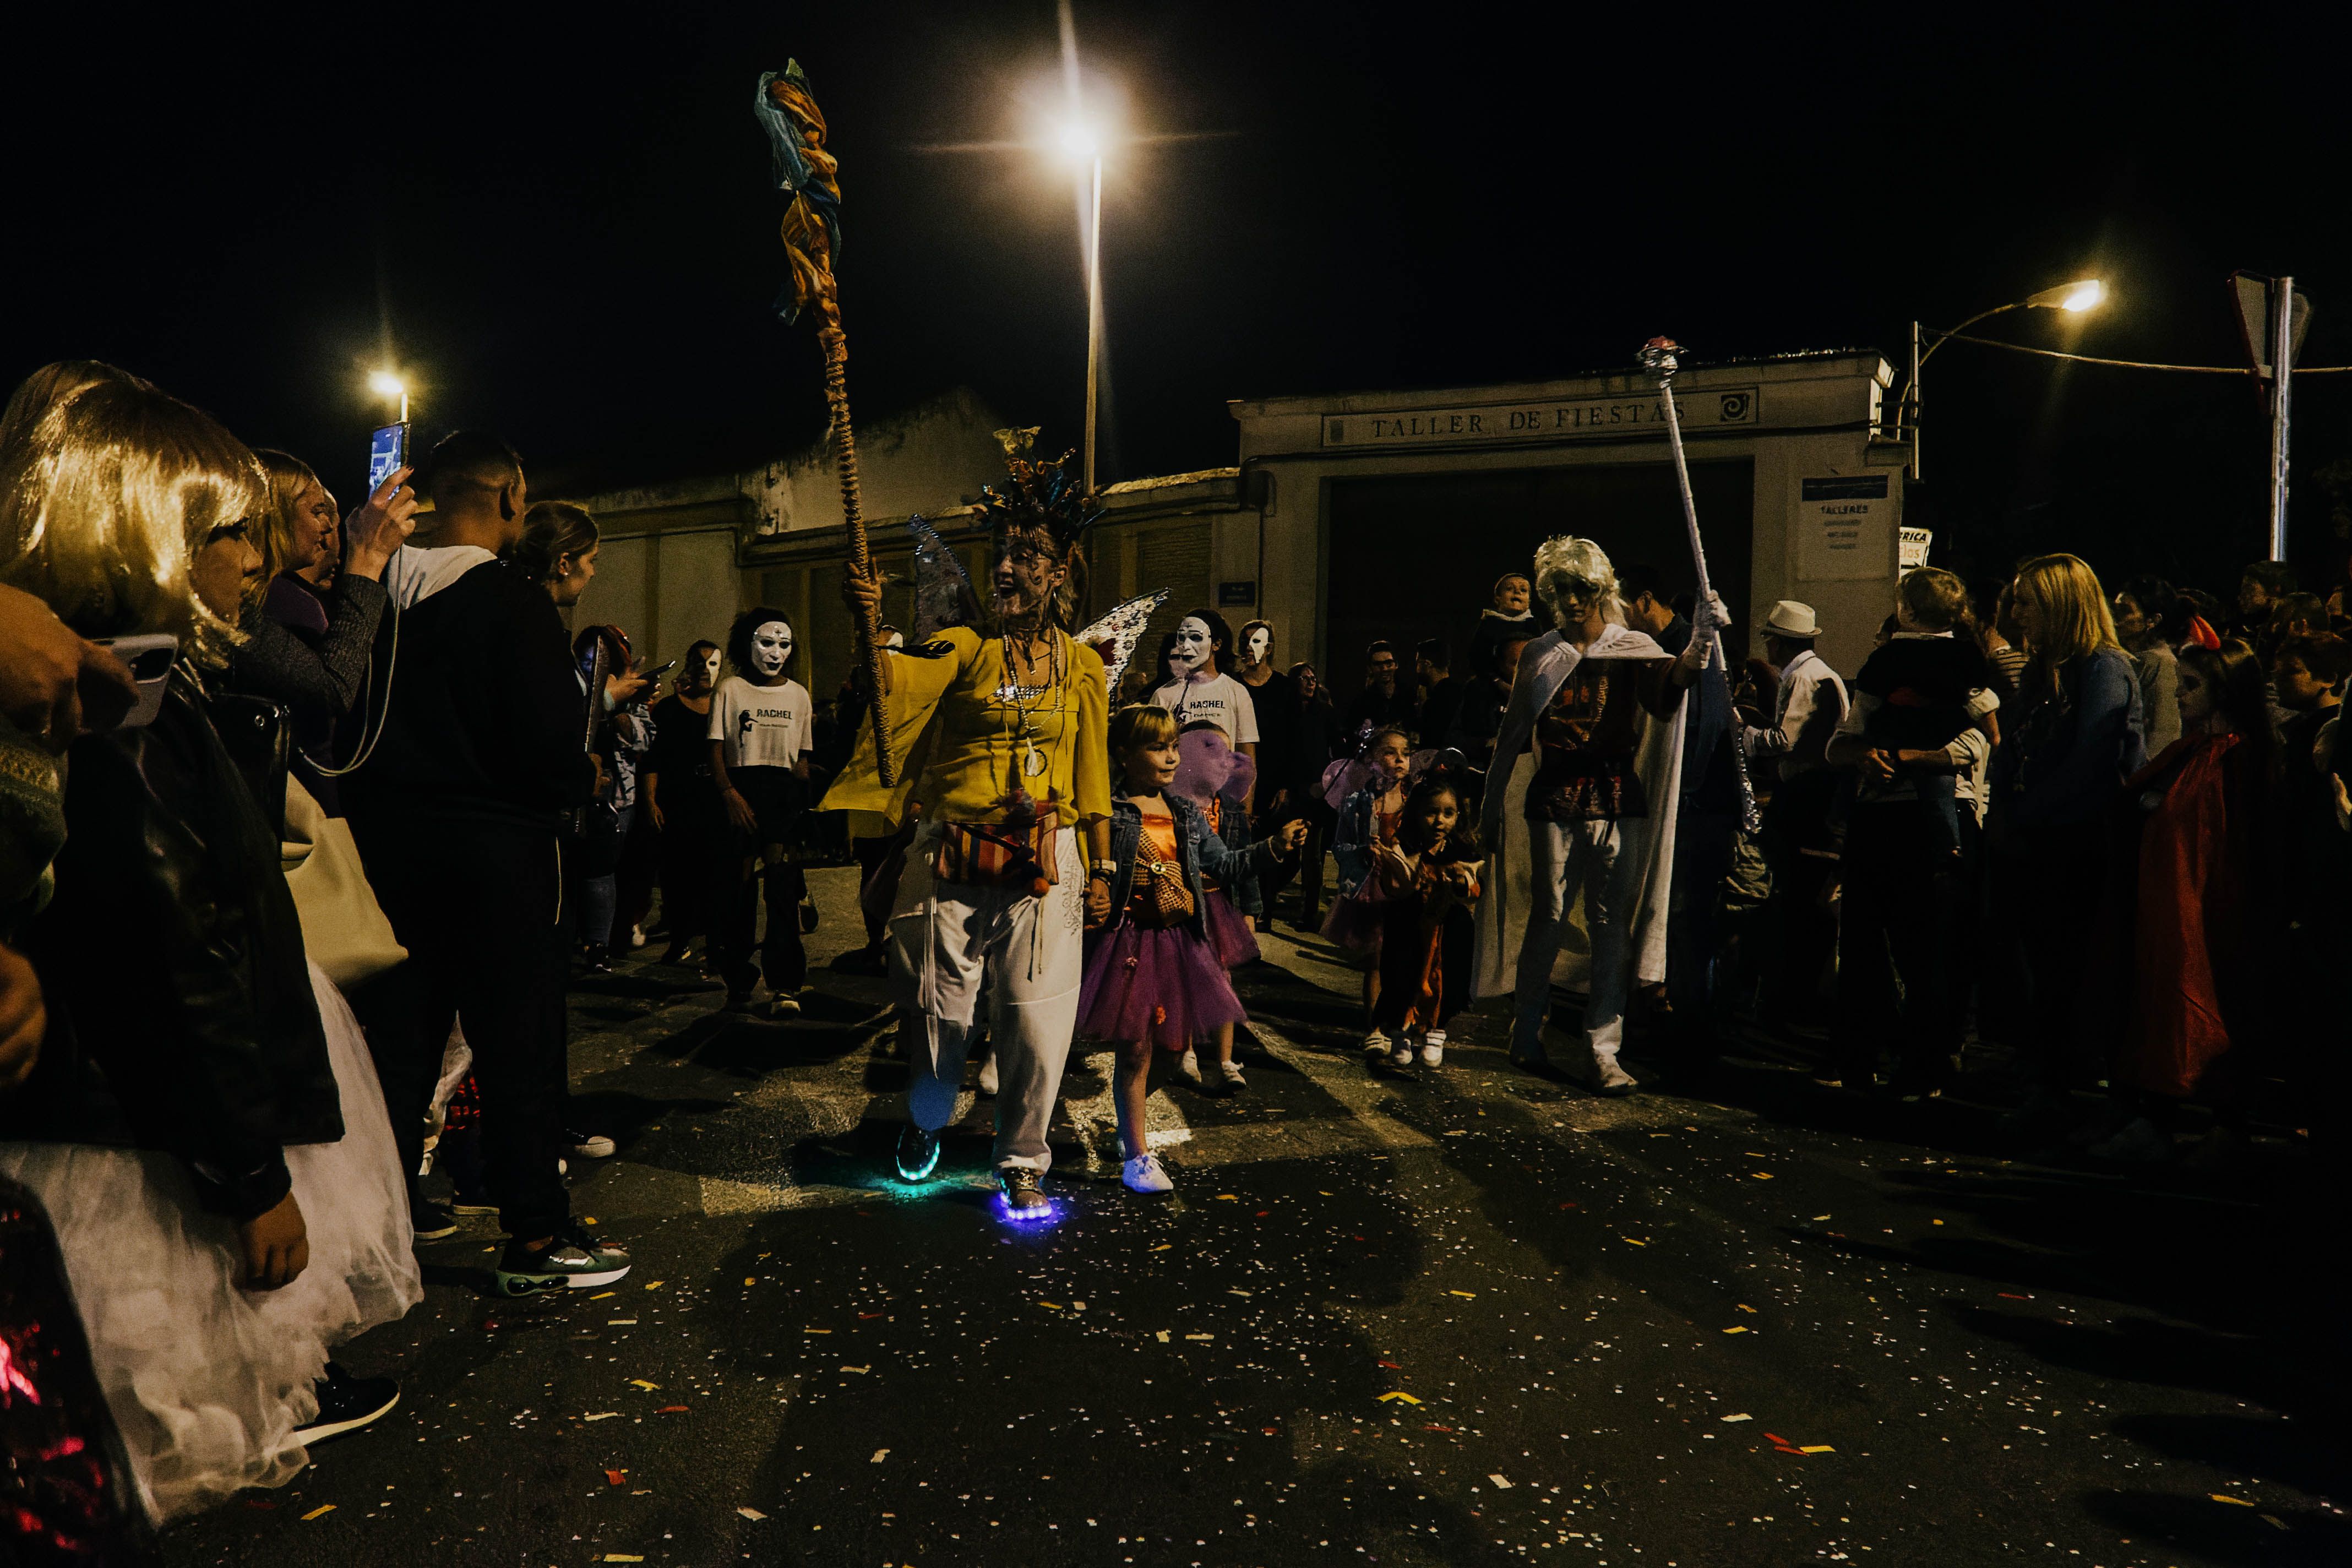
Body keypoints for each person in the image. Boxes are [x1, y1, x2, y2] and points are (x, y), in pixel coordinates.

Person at [0, 374, 418, 1518]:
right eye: (230, 531)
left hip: (148, 1120)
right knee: (128, 1458)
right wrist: (249, 1176)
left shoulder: (157, 680)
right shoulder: (115, 703)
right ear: (145, 528)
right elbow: (169, 952)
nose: (258, 559)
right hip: (144, 1148)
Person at [339, 431, 630, 1293]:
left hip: (389, 857)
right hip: (499, 860)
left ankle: (372, 1238)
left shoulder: (375, 594)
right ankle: (536, 1238)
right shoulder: (513, 602)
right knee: (519, 1048)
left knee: (397, 1056)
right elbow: (545, 749)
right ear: (509, 498)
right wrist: (580, 771)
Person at [823, 429, 1110, 1218]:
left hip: (1045, 864)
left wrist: (1106, 870)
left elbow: (1093, 781)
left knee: (1037, 1019)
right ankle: (926, 1121)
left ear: (1059, 573)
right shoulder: (963, 644)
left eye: (1027, 556)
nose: (1008, 568)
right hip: (949, 856)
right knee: (938, 1013)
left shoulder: (1084, 666)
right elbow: (895, 684)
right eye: (1002, 554)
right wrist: (869, 622)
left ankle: (1023, 1156)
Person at [1471, 536, 1714, 1095]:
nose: (1573, 600)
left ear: (1600, 589)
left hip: (1614, 792)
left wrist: (1698, 648)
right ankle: (1527, 1028)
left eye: (1582, 588)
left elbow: (1668, 691)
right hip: (1555, 791)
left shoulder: (1632, 644)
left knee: (1610, 925)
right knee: (1550, 913)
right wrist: (1489, 809)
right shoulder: (1541, 652)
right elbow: (1513, 737)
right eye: (1562, 589)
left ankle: (1603, 1049)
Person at [1076, 705, 1302, 1193]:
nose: (1172, 757)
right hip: (1128, 941)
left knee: (1174, 1050)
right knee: (1135, 1050)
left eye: (1174, 746)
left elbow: (1226, 864)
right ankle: (1136, 1154)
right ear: (1123, 754)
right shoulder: (1107, 813)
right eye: (1158, 747)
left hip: (1178, 939)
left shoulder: (1183, 812)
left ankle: (1125, 1124)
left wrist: (1274, 848)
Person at [2088, 639, 2276, 1162]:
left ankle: (2220, 1125)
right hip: (2164, 908)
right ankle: (2157, 1119)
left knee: (2213, 1009)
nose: (2179, 696)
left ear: (2225, 689)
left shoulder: (2239, 760)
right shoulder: (2191, 752)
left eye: (2192, 686)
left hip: (2213, 916)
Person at [1988, 553, 2146, 1137]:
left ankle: (2066, 1093)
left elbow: (2093, 762)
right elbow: (2016, 744)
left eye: (2027, 601)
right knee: (2039, 970)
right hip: (2038, 840)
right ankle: (2046, 1082)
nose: (2017, 613)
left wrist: (2023, 812)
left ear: (2059, 604)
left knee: (2069, 971)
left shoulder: (2103, 666)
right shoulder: (2044, 668)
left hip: (2078, 844)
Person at [1823, 571, 1999, 1096]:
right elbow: (1845, 739)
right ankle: (1868, 1052)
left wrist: (1907, 756)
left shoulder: (1907, 667)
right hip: (1890, 813)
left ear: (1907, 613)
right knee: (1868, 940)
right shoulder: (1961, 664)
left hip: (1913, 816)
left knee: (1925, 946)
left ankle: (1922, 1059)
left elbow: (1985, 736)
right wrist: (1865, 755)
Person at [232, 453, 413, 813]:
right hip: (294, 807)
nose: (332, 528)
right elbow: (331, 689)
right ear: (271, 515)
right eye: (318, 512)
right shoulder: (284, 602)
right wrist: (368, 558)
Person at [1738, 601, 1848, 1033]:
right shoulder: (1815, 672)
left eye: (1770, 637)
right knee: (1800, 893)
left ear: (1781, 642)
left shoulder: (1803, 677)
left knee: (1797, 894)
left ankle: (1792, 999)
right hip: (1812, 794)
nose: (1767, 644)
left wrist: (1744, 734)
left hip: (1806, 796)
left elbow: (1785, 739)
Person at [706, 608, 816, 1015]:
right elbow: (715, 747)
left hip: (782, 795)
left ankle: (786, 983)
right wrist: (728, 793)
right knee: (739, 891)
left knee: (782, 891)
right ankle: (738, 976)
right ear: (746, 644)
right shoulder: (730, 689)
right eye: (766, 642)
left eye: (784, 644)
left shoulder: (799, 695)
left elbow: (803, 758)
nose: (775, 653)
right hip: (741, 791)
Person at [1849, 567, 1994, 854]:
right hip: (1942, 747)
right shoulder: (1966, 655)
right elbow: (1983, 710)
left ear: (1910, 612)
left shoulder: (1886, 657)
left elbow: (1861, 713)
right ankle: (1950, 847)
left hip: (1891, 752)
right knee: (1939, 790)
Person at [1365, 773, 1482, 1069]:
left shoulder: (1462, 852)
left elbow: (1474, 890)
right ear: (1417, 812)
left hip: (1449, 930)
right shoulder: (1404, 847)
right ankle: (1401, 1032)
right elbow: (1394, 886)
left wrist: (1460, 881)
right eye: (1431, 812)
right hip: (1409, 926)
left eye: (1448, 813)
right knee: (1403, 976)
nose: (1439, 821)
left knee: (1448, 981)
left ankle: (1436, 1032)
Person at [1325, 726, 1413, 1055]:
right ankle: (1375, 1028)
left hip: (1407, 884)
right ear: (1371, 760)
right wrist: (1361, 851)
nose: (1400, 759)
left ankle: (1402, 1026)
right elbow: (1340, 845)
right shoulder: (1359, 802)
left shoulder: (1414, 799)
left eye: (1405, 752)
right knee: (1377, 957)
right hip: (1375, 885)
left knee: (1408, 958)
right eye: (1390, 752)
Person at [644, 641, 722, 968]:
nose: (706, 670)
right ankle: (680, 940)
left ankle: (716, 944)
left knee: (715, 876)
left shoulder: (726, 704)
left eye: (713, 664)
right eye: (700, 663)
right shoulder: (670, 710)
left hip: (715, 802)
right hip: (678, 802)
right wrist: (650, 799)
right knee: (677, 876)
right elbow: (653, 759)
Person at [1145, 609, 1260, 797]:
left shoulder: (1236, 692)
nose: (1186, 646)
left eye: (1196, 638)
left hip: (1222, 802)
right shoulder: (1164, 695)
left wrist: (1245, 812)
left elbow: (1247, 760)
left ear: (1216, 645)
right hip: (1176, 799)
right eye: (1181, 638)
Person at [1233, 619, 1299, 931]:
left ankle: (1267, 910)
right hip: (1242, 778)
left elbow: (1293, 737)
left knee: (1280, 852)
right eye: (1245, 641)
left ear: (1269, 648)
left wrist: (1286, 784)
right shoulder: (1234, 686)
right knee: (1246, 848)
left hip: (1275, 778)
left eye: (1256, 641)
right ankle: (1249, 916)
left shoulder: (1285, 688)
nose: (1249, 647)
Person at [1286, 661, 1342, 929]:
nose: (1310, 683)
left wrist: (1331, 782)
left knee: (1313, 853)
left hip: (1317, 792)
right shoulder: (1286, 712)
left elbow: (1339, 748)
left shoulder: (1325, 713)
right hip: (1291, 788)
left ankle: (1309, 911)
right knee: (1288, 849)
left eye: (1313, 678)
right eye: (1304, 678)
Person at [2111, 576, 2185, 757]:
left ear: (2152, 621)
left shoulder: (2161, 663)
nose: (2114, 618)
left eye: (2124, 611)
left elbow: (2163, 733)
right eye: (2114, 609)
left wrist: (2143, 779)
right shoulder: (2130, 659)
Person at [1342, 640, 1417, 746]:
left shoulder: (1410, 696)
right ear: (1370, 668)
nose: (1384, 669)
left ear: (1396, 665)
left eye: (1388, 663)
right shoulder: (1362, 702)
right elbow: (1352, 735)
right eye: (1378, 664)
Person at [1468, 571, 1538, 674]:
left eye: (1523, 590)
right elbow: (1477, 658)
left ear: (1529, 602)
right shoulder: (1488, 624)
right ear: (1497, 599)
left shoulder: (1533, 625)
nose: (1517, 592)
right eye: (1510, 589)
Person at [1413, 638, 1466, 755]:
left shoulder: (1434, 703)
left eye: (1418, 663)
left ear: (1427, 664)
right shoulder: (1462, 692)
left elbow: (1429, 747)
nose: (1416, 669)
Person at [2233, 559, 2299, 642]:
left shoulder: (2293, 638)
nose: (2240, 597)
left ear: (2275, 591)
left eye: (2249, 589)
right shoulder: (2257, 630)